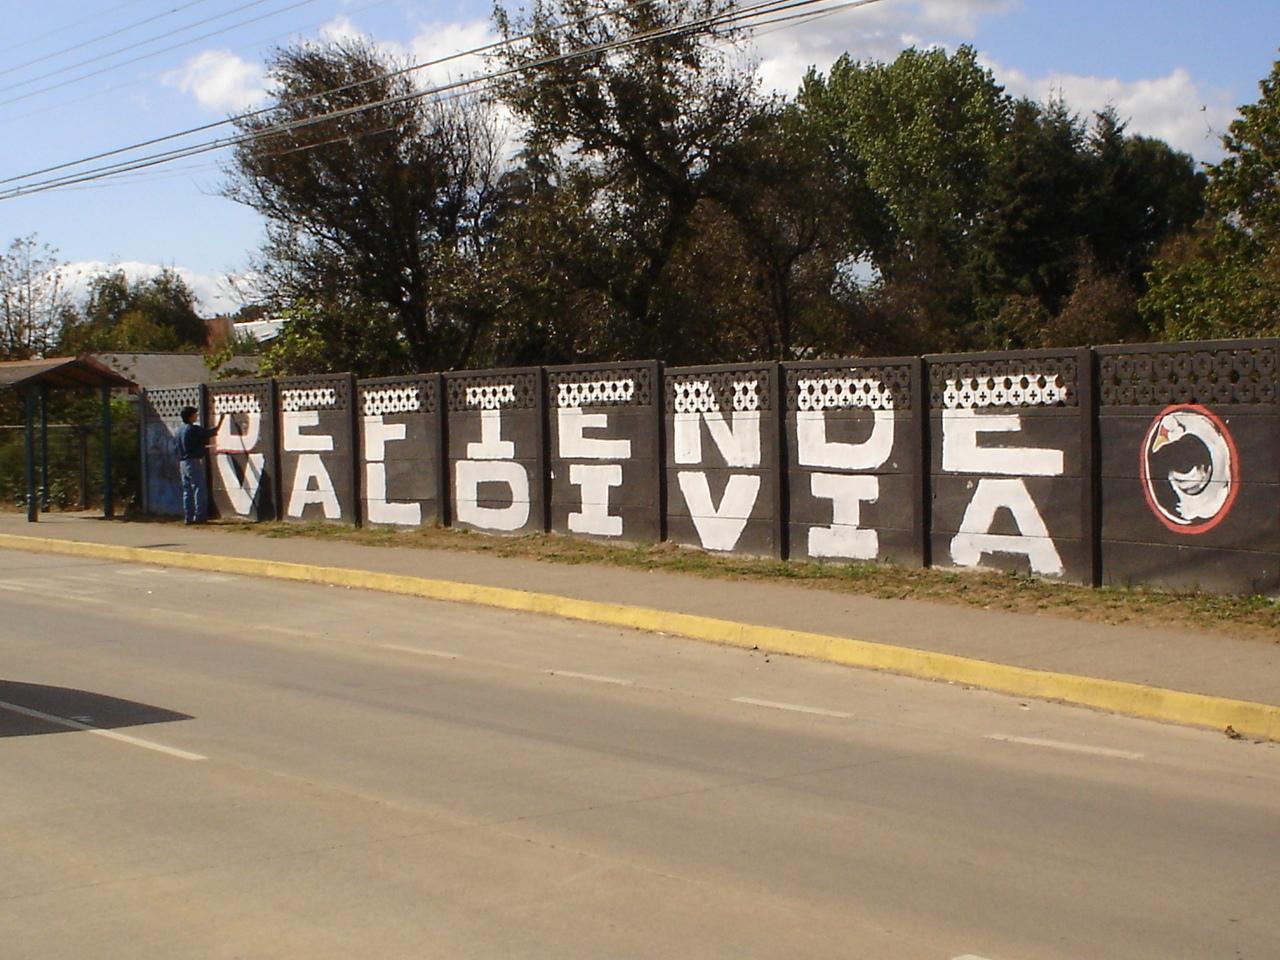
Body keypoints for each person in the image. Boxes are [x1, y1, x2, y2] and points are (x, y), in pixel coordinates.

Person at [176, 406, 226, 525]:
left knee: (187, 491)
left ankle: (188, 517)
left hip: (183, 462)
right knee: (199, 488)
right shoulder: (193, 429)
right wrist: (221, 421)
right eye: (195, 414)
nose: (196, 416)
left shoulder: (179, 430)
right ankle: (200, 516)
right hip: (193, 461)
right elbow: (211, 432)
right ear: (190, 416)